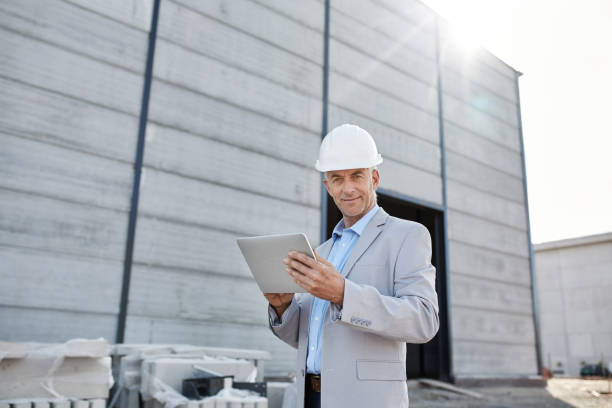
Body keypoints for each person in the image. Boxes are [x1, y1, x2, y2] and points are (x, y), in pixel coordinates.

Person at [264, 124, 439, 408]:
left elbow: (424, 320)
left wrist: (344, 294)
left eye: (357, 176)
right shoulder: (320, 252)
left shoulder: (407, 235)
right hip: (309, 397)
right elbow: (305, 337)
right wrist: (282, 307)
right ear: (327, 186)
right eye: (337, 178)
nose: (347, 188)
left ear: (375, 178)